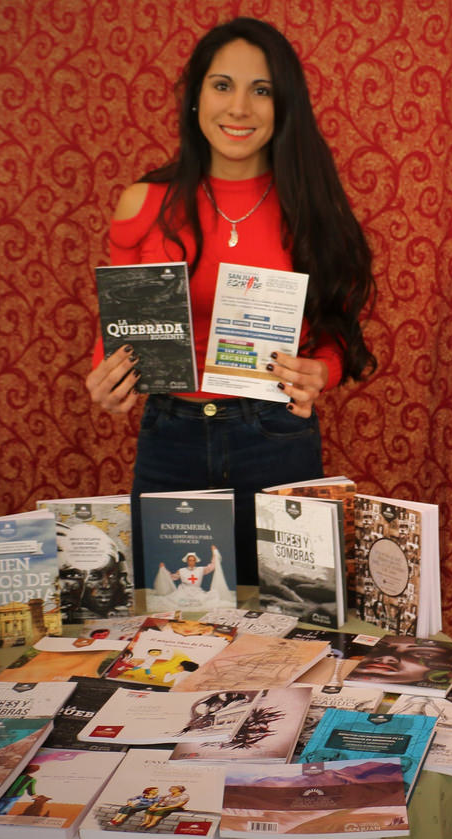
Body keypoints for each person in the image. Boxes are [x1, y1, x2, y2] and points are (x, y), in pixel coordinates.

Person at [86, 17, 376, 585]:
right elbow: (118, 324)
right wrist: (106, 375)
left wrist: (323, 370)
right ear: (196, 96)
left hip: (276, 436)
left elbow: (335, 327)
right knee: (171, 617)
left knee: (292, 615)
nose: (239, 108)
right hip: (170, 438)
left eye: (260, 90)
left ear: (284, 103)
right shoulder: (145, 202)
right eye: (222, 85)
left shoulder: (310, 204)